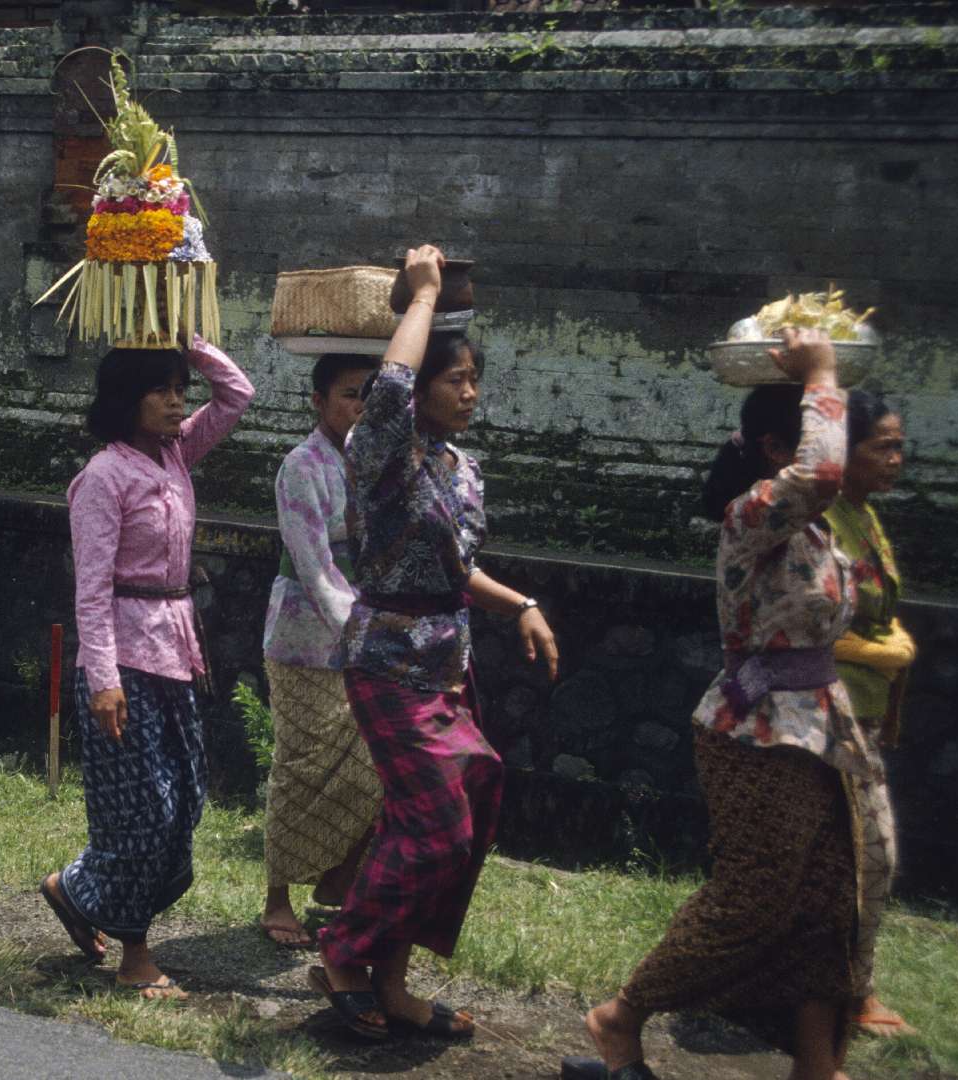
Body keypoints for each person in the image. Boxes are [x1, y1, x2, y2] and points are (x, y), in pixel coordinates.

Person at [569, 328, 880, 1080]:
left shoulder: (813, 533)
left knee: (826, 901)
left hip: (822, 730)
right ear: (778, 448)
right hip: (758, 733)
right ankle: (623, 1014)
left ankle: (816, 1063)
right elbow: (827, 472)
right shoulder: (752, 517)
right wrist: (823, 374)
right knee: (754, 901)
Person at [313, 245, 559, 1041]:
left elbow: (460, 566)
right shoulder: (380, 452)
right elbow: (383, 391)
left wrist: (518, 603)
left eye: (474, 378)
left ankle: (394, 980)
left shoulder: (463, 468)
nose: (471, 391)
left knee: (469, 806)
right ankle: (344, 952)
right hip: (386, 658)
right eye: (455, 378)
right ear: (419, 388)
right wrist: (421, 297)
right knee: (434, 827)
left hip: (446, 660)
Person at [41, 334, 254, 1000]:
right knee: (143, 812)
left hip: (175, 655)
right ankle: (135, 953)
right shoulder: (104, 476)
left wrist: (183, 332)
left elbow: (237, 394)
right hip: (122, 665)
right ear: (124, 399)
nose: (175, 401)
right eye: (159, 389)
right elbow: (92, 588)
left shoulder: (174, 454)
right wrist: (102, 680)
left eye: (178, 388)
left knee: (186, 797)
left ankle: (76, 888)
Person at [258, 352, 383, 948]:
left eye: (367, 394)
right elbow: (312, 562)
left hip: (370, 634)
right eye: (347, 393)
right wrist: (357, 625)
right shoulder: (301, 466)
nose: (358, 405)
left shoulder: (378, 463)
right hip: (307, 638)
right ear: (318, 401)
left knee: (372, 765)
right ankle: (276, 896)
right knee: (302, 764)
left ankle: (339, 880)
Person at [826, 390, 912, 1040]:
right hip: (826, 714)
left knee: (861, 858)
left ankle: (848, 990)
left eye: (897, 444)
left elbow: (882, 617)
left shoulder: (866, 518)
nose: (896, 458)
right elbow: (812, 626)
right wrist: (887, 651)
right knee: (868, 855)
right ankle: (848, 993)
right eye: (881, 445)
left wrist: (894, 696)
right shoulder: (824, 522)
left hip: (866, 715)